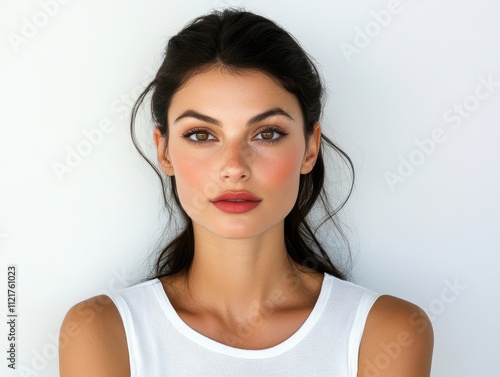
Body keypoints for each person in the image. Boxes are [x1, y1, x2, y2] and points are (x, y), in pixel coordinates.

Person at [59, 8, 433, 376]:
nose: (235, 166)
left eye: (266, 133)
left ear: (310, 147)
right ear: (164, 150)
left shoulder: (387, 333)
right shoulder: (103, 332)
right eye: (201, 135)